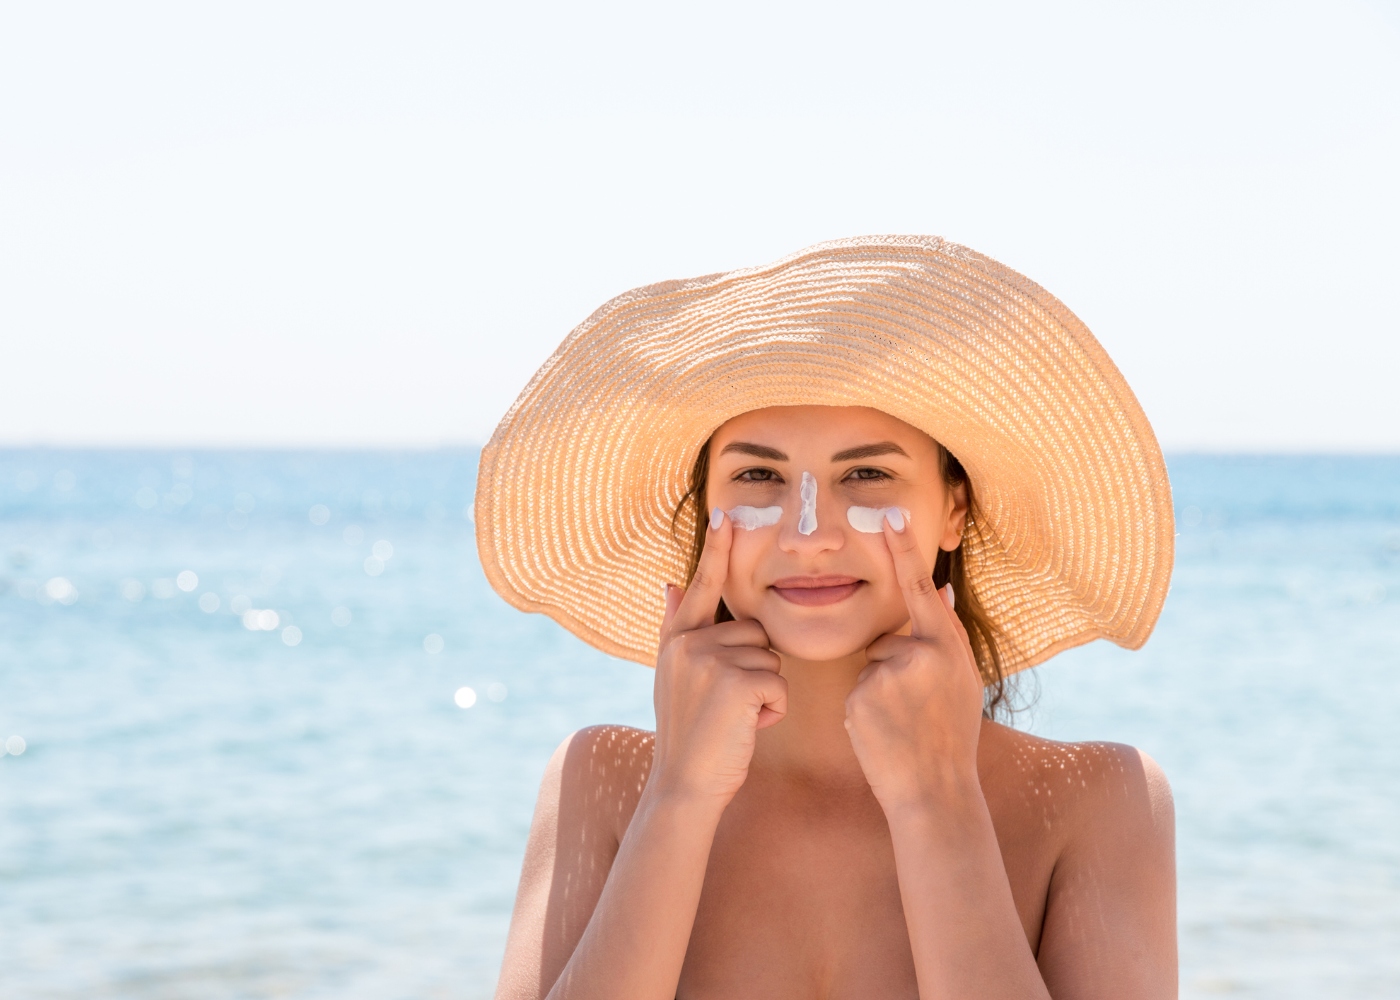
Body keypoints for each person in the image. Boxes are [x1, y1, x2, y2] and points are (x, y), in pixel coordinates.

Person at [478, 236, 1178, 999]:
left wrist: (936, 804)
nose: (808, 533)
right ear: (705, 512)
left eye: (868, 473)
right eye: (757, 475)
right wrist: (677, 797)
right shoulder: (603, 782)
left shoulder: (1097, 801)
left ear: (954, 509)